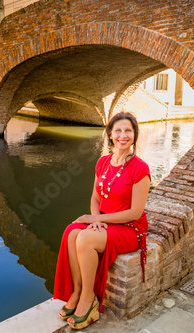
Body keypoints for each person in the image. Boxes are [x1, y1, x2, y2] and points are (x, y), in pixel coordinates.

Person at [53, 112, 151, 329]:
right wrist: (96, 219)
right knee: (71, 232)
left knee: (85, 239)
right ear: (110, 135)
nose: (123, 135)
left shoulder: (140, 168)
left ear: (134, 135)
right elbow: (95, 197)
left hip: (129, 228)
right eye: (118, 130)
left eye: (128, 131)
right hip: (106, 222)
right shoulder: (103, 162)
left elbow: (135, 212)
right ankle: (77, 291)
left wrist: (97, 219)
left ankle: (89, 300)